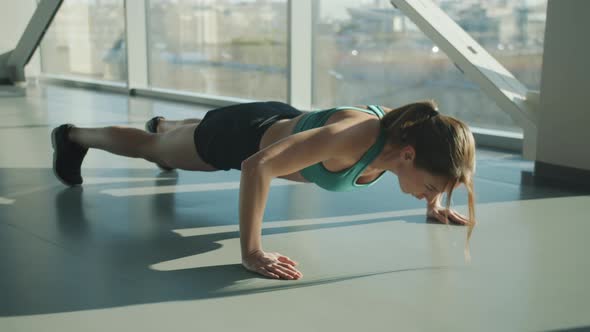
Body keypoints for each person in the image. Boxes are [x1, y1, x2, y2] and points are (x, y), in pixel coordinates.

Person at [51, 100, 476, 280]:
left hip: (278, 119)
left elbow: (434, 168)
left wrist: (433, 203)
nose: (430, 193)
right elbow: (258, 167)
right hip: (240, 138)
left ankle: (169, 128)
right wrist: (252, 252)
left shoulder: (409, 141)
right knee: (153, 149)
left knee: (179, 140)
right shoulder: (354, 138)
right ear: (407, 155)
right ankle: (73, 135)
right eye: (432, 188)